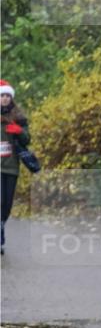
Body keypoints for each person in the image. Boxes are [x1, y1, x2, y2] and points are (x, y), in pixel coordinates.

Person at [1, 80, 30, 255]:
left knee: (7, 205)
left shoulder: (19, 118)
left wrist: (19, 131)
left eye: (7, 96)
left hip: (11, 167)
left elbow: (27, 140)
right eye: (2, 95)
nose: (4, 99)